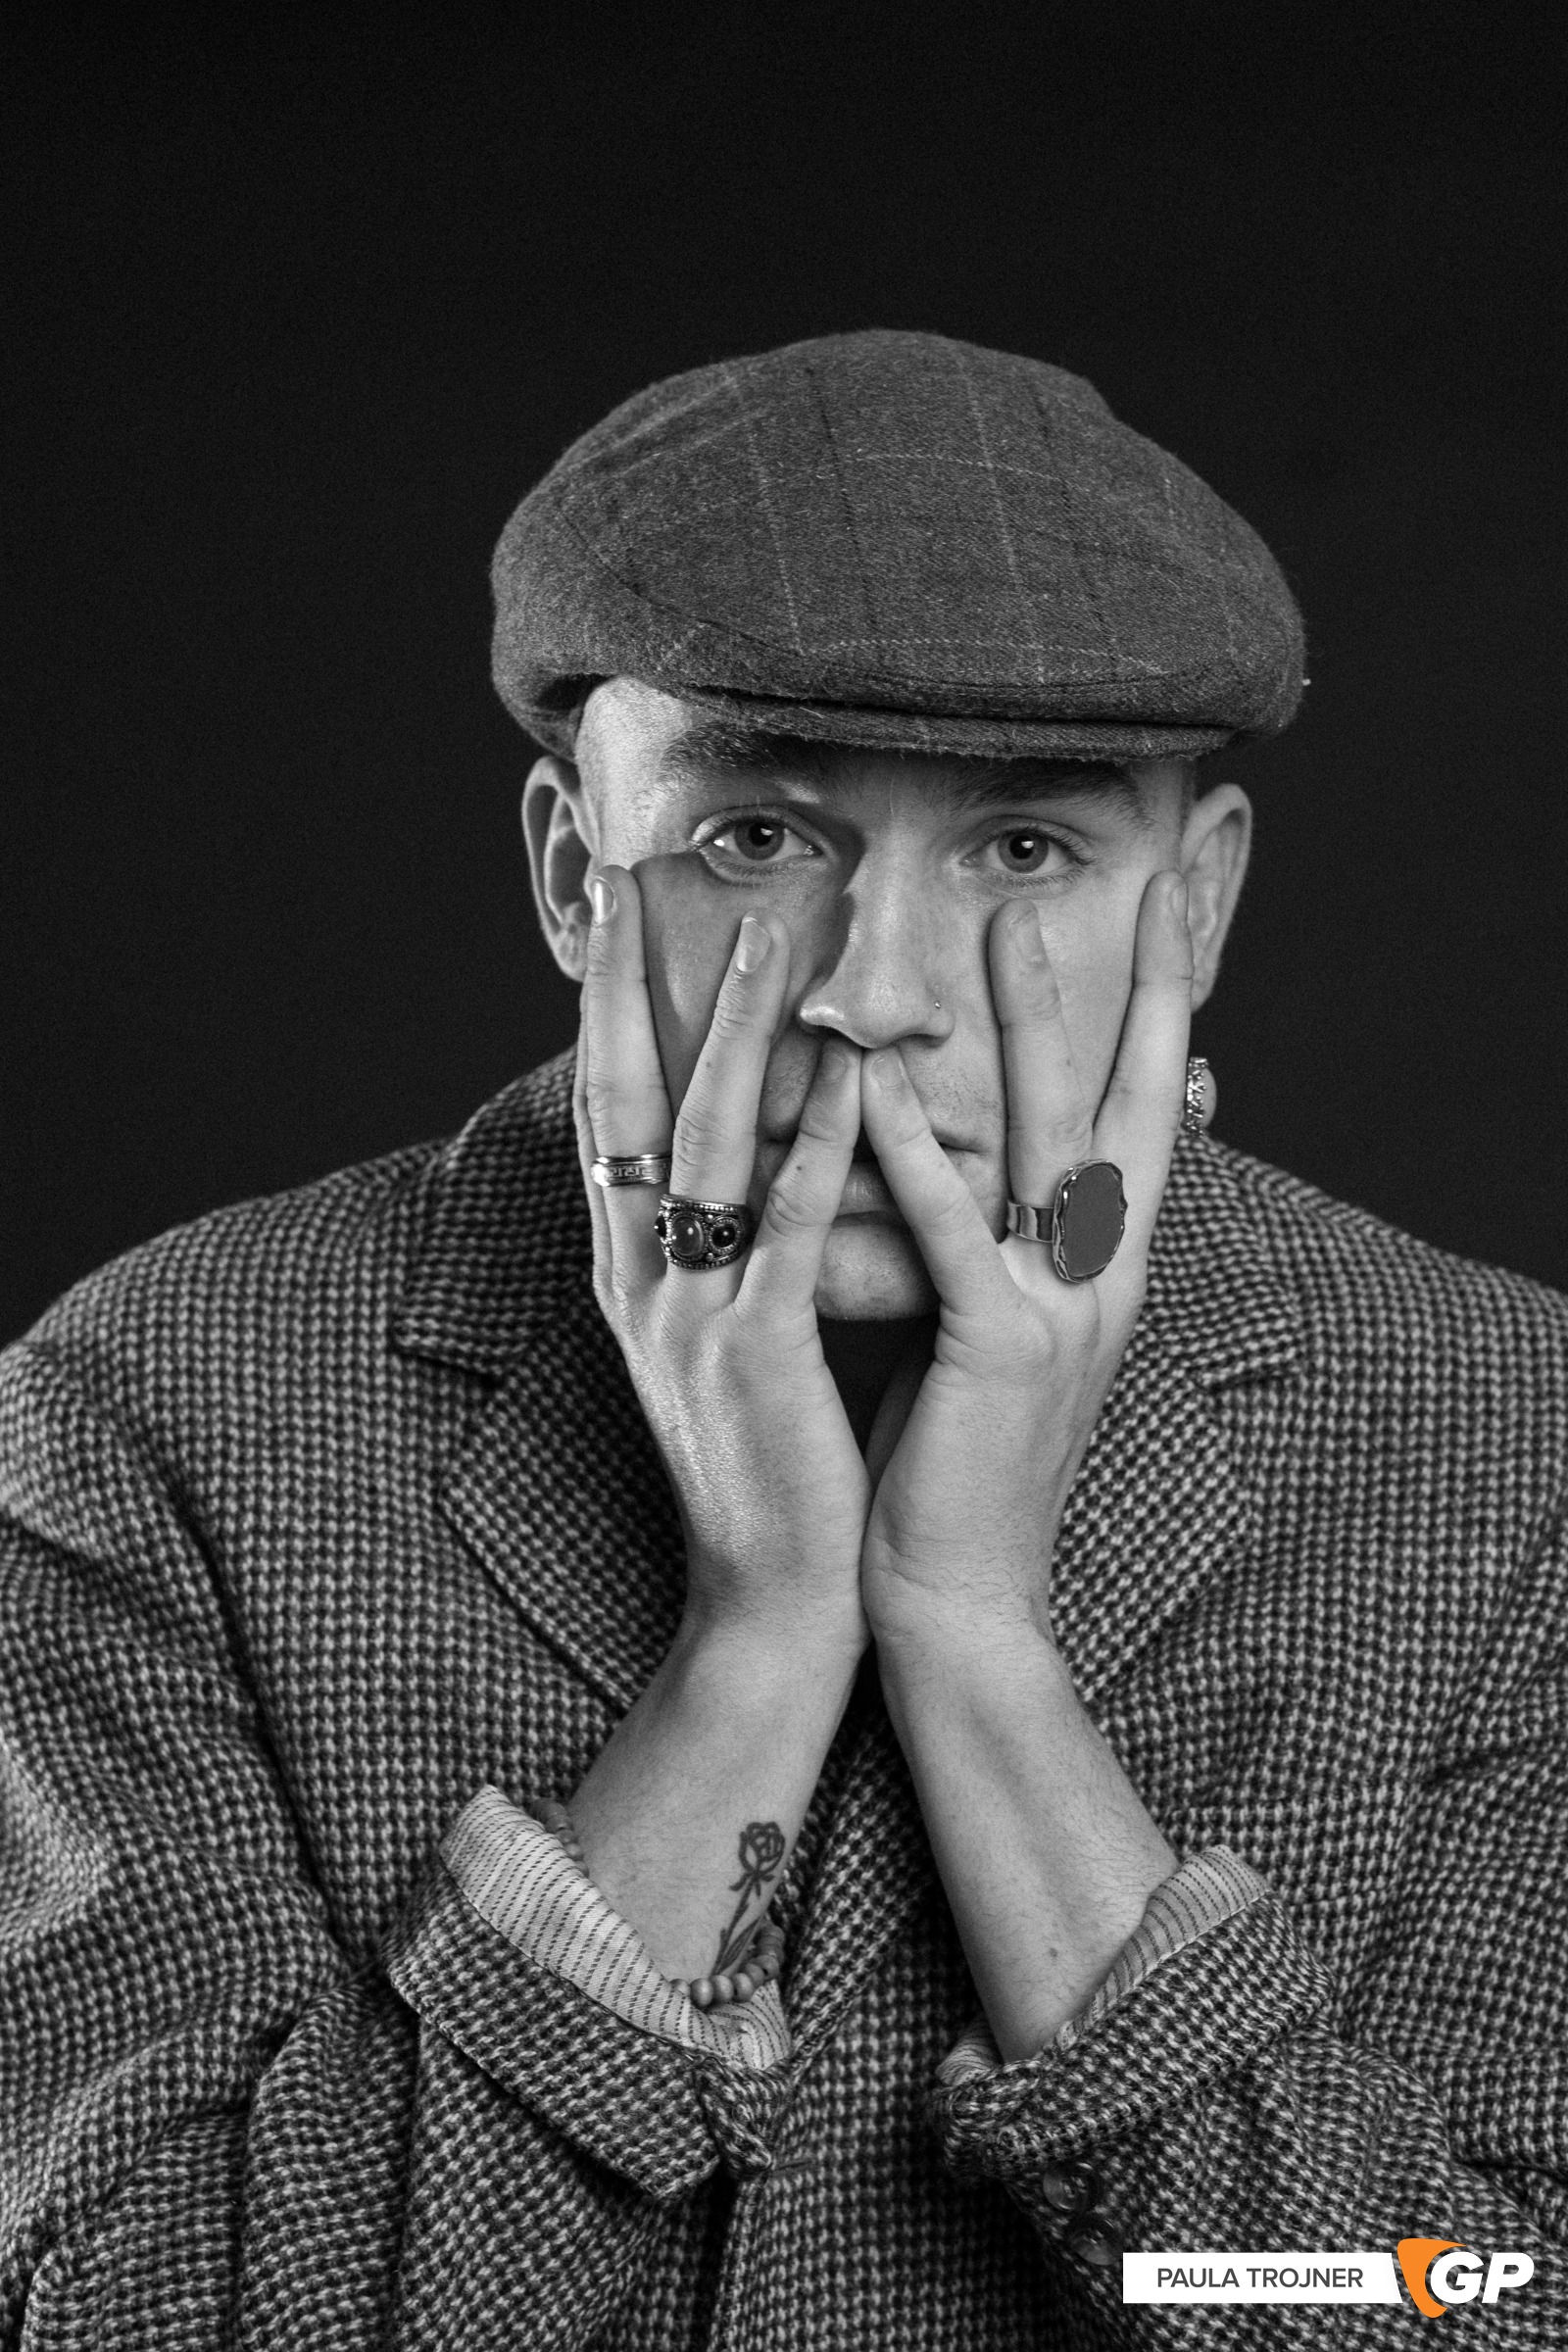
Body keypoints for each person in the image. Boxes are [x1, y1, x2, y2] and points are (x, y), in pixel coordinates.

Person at [2, 329, 1564, 2348]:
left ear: (1187, 911)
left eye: (1023, 848)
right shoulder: (153, 1410)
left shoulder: (1506, 1446)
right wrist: (754, 1641)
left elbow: (1461, 2315)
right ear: (577, 873)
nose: (874, 993)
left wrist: (974, 1642)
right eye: (756, 838)